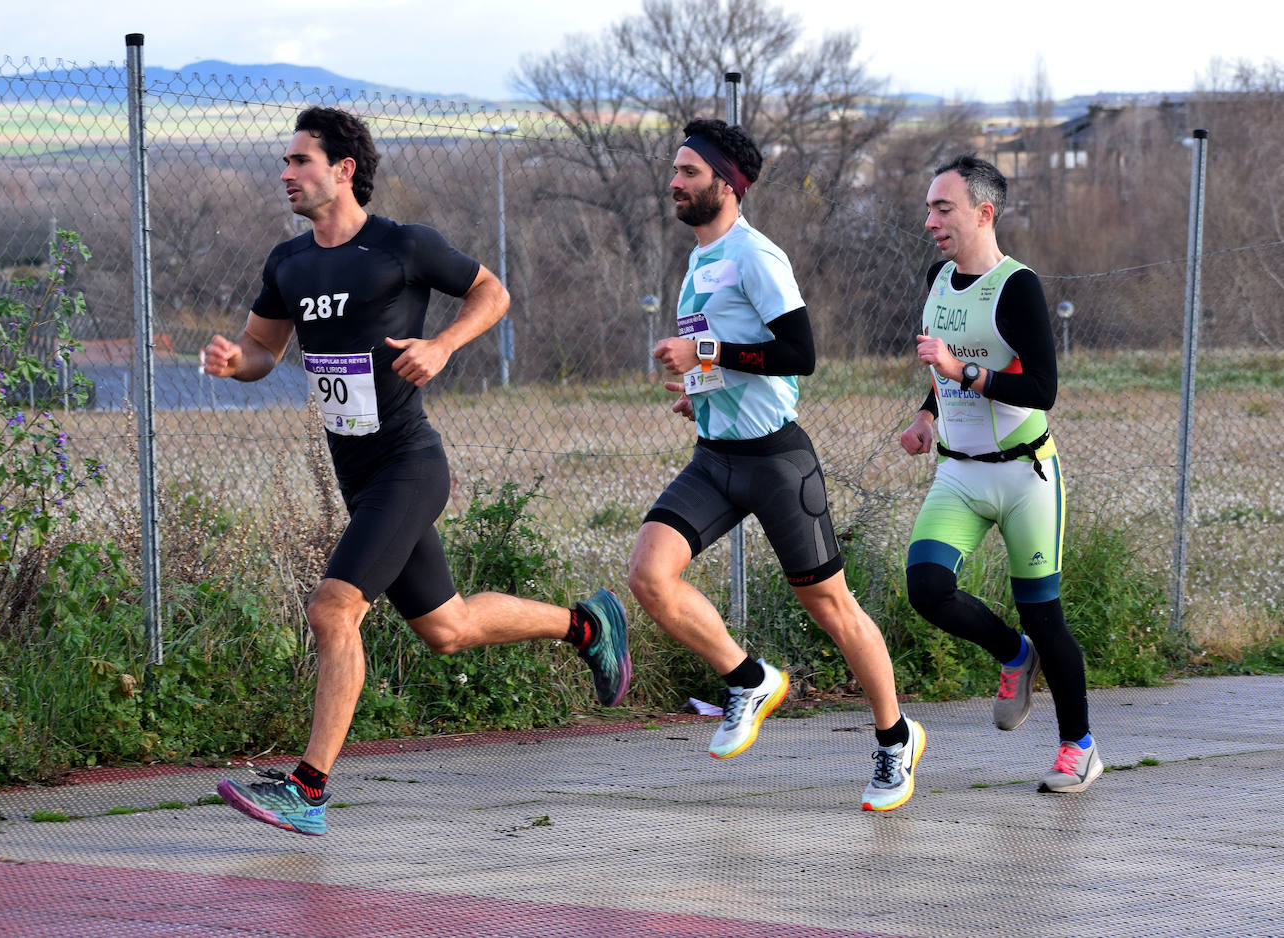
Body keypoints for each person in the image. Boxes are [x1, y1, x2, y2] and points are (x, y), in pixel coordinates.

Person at [204, 107, 629, 836]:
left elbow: (491, 291)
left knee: (333, 609)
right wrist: (232, 361)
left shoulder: (402, 245)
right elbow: (263, 350)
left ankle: (308, 790)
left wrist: (443, 345)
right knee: (448, 628)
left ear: (343, 169)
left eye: (300, 160)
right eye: (286, 161)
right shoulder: (289, 263)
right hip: (359, 476)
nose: (286, 173)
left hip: (408, 465)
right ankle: (587, 626)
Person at [627, 118, 924, 813]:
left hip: (776, 462)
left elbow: (799, 354)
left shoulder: (757, 256)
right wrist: (700, 391)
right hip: (715, 459)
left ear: (727, 185)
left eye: (689, 172)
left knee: (831, 607)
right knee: (649, 575)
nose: (674, 182)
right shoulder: (701, 259)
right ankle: (749, 678)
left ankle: (895, 738)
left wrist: (704, 356)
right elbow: (733, 352)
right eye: (675, 170)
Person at [899, 154, 1101, 794]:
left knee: (1044, 613)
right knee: (927, 588)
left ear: (983, 213)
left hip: (1023, 476)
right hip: (958, 474)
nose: (931, 221)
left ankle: (1079, 747)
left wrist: (962, 373)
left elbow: (1042, 389)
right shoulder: (937, 279)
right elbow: (944, 367)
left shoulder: (1018, 287)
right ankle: (1014, 655)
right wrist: (927, 414)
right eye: (929, 209)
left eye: (943, 209)